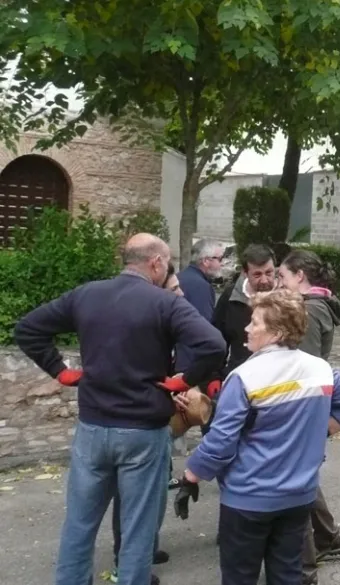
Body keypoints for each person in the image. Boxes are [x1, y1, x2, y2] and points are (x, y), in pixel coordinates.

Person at [13, 234, 226, 585]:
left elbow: (29, 328)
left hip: (93, 428)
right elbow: (213, 344)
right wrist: (183, 381)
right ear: (155, 262)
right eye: (166, 263)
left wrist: (61, 372)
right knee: (138, 527)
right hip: (143, 432)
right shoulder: (164, 304)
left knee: (80, 522)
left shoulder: (87, 295)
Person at [175, 289, 340, 585]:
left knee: (240, 576)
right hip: (299, 495)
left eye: (255, 322)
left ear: (276, 332)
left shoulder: (245, 377)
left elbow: (221, 442)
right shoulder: (320, 369)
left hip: (249, 499)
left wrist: (191, 475)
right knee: (288, 574)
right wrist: (320, 430)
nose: (247, 328)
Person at [108, 261, 184, 583]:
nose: (180, 293)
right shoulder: (142, 321)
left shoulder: (164, 318)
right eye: (174, 288)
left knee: (155, 491)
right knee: (131, 498)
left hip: (158, 418)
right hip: (139, 423)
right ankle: (125, 563)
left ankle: (146, 548)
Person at [277, 250, 340, 585]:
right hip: (307, 408)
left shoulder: (310, 310)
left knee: (295, 487)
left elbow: (303, 370)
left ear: (300, 276)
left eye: (284, 276)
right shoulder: (317, 305)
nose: (280, 282)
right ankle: (330, 538)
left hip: (301, 410)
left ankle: (304, 573)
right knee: (303, 480)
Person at [212, 244, 277, 378]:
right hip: (238, 376)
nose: (264, 280)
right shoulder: (230, 297)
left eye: (269, 273)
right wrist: (214, 376)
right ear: (245, 273)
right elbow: (217, 340)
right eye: (257, 275)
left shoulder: (286, 299)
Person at [175, 238, 224, 372]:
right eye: (219, 259)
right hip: (189, 364)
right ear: (206, 261)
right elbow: (202, 329)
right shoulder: (200, 287)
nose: (222, 264)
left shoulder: (178, 278)